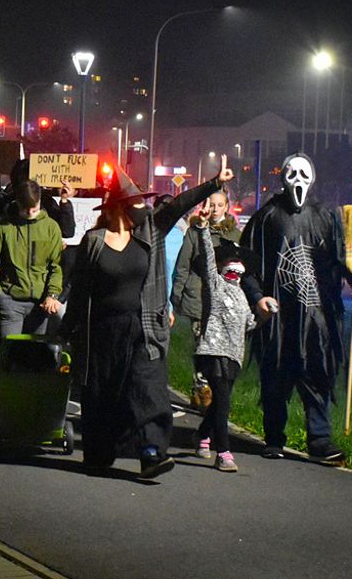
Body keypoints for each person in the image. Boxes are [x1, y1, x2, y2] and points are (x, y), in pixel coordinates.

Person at [62, 160, 234, 478]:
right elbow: (80, 291)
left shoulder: (151, 231)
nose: (145, 207)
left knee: (148, 389)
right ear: (120, 207)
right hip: (102, 332)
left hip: (143, 327)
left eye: (145, 202)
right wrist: (65, 331)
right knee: (104, 394)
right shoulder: (94, 241)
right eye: (138, 202)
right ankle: (100, 451)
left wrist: (213, 183)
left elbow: (180, 203)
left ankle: (151, 452)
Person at [240, 152, 352, 463]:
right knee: (276, 375)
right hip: (279, 319)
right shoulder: (265, 218)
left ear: (312, 178)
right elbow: (247, 264)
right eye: (291, 173)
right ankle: (273, 437)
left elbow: (340, 256)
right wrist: (257, 297)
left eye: (303, 173)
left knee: (317, 373)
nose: (297, 180)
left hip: (317, 318)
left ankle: (320, 439)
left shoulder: (325, 217)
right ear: (282, 177)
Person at [191, 227, 257, 472]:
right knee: (223, 401)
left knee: (220, 401)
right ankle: (224, 452)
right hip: (213, 351)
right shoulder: (214, 284)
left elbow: (249, 323)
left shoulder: (241, 295)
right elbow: (208, 260)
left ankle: (202, 434)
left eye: (239, 262)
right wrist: (203, 231)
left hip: (233, 355)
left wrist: (265, 314)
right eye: (231, 260)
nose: (236, 265)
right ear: (221, 264)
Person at [171, 189, 242, 404]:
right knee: (203, 345)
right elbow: (183, 265)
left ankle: (218, 391)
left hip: (225, 301)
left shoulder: (234, 235)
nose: (215, 209)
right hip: (199, 299)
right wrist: (176, 295)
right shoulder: (194, 231)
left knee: (222, 350)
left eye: (219, 205)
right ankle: (201, 388)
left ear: (227, 207)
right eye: (211, 205)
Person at [0, 180, 64, 337]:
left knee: (33, 356)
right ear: (17, 203)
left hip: (41, 303)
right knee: (9, 354)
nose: (30, 214)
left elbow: (56, 266)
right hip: (11, 301)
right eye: (26, 210)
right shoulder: (4, 228)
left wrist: (51, 295)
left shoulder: (51, 227)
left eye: (35, 209)